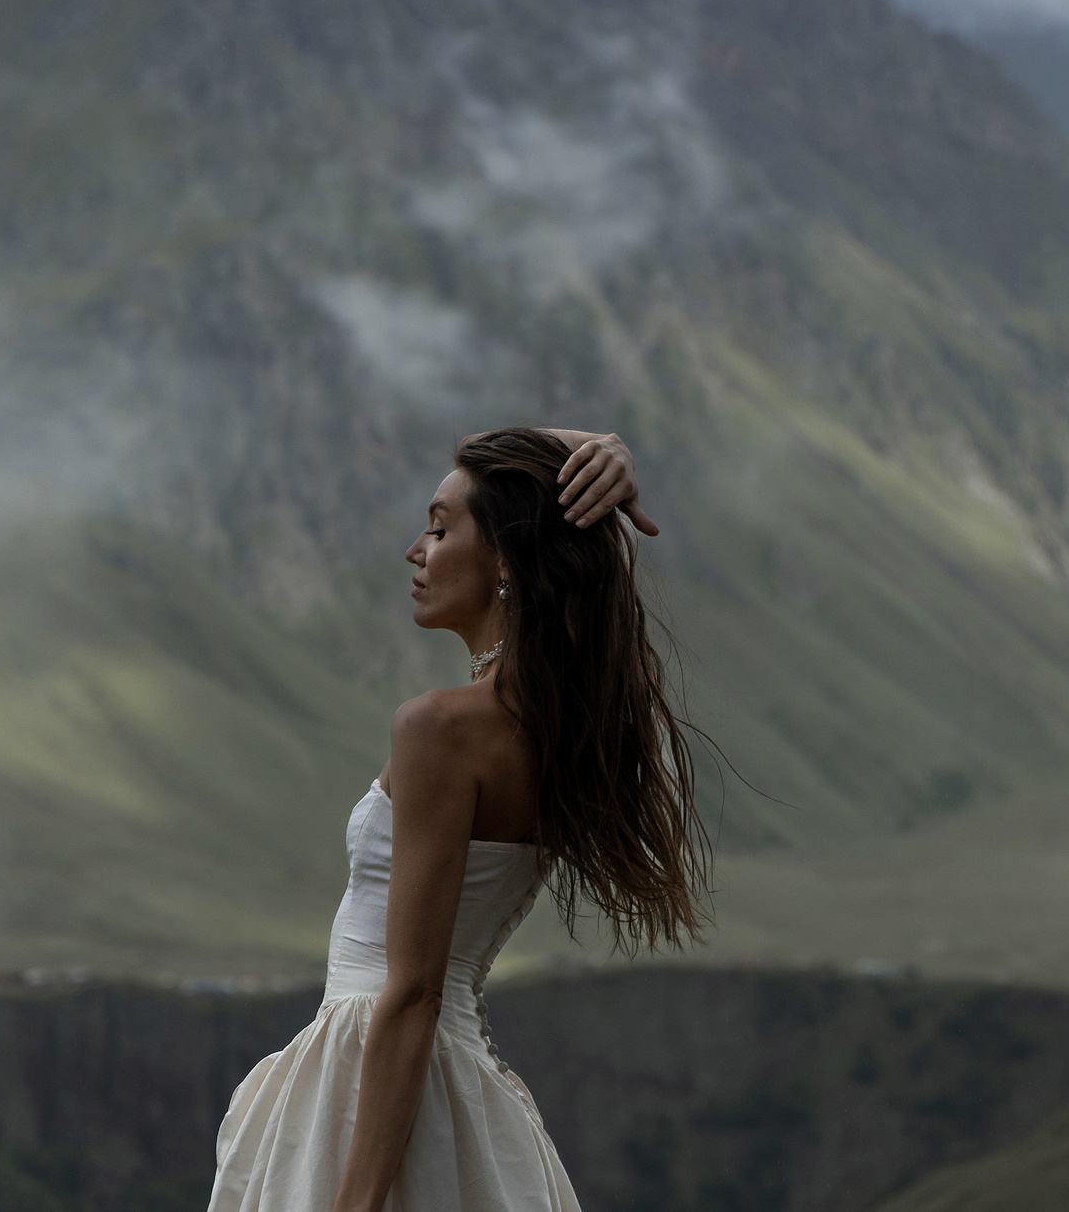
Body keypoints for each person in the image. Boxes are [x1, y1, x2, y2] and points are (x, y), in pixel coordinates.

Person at [208, 428, 708, 1212]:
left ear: (506, 557)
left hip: (373, 1071)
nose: (416, 549)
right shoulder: (557, 729)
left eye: (440, 529)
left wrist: (357, 1201)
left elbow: (413, 993)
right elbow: (488, 450)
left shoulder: (441, 728)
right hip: (460, 1090)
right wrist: (602, 449)